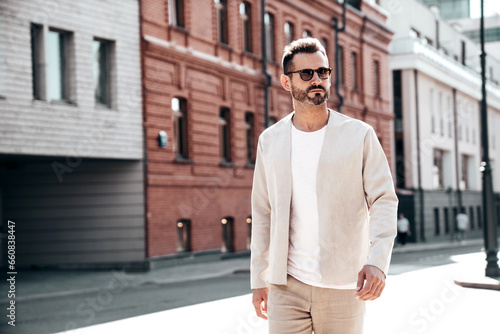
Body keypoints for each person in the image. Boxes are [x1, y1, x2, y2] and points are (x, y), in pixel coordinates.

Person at [250, 38, 399, 334]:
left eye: (323, 72)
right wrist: (259, 279)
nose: (317, 80)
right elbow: (263, 212)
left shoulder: (359, 135)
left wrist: (378, 261)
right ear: (286, 82)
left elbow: (384, 199)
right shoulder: (270, 140)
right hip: (286, 286)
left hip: (344, 285)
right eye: (306, 74)